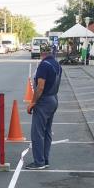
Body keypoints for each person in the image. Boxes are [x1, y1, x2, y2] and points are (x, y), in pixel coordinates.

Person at [25, 42, 62, 170]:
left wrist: (33, 102)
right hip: (54, 98)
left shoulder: (43, 65)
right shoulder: (56, 64)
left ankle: (39, 162)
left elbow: (40, 87)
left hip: (44, 100)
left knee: (37, 133)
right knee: (47, 132)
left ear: (41, 53)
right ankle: (45, 159)